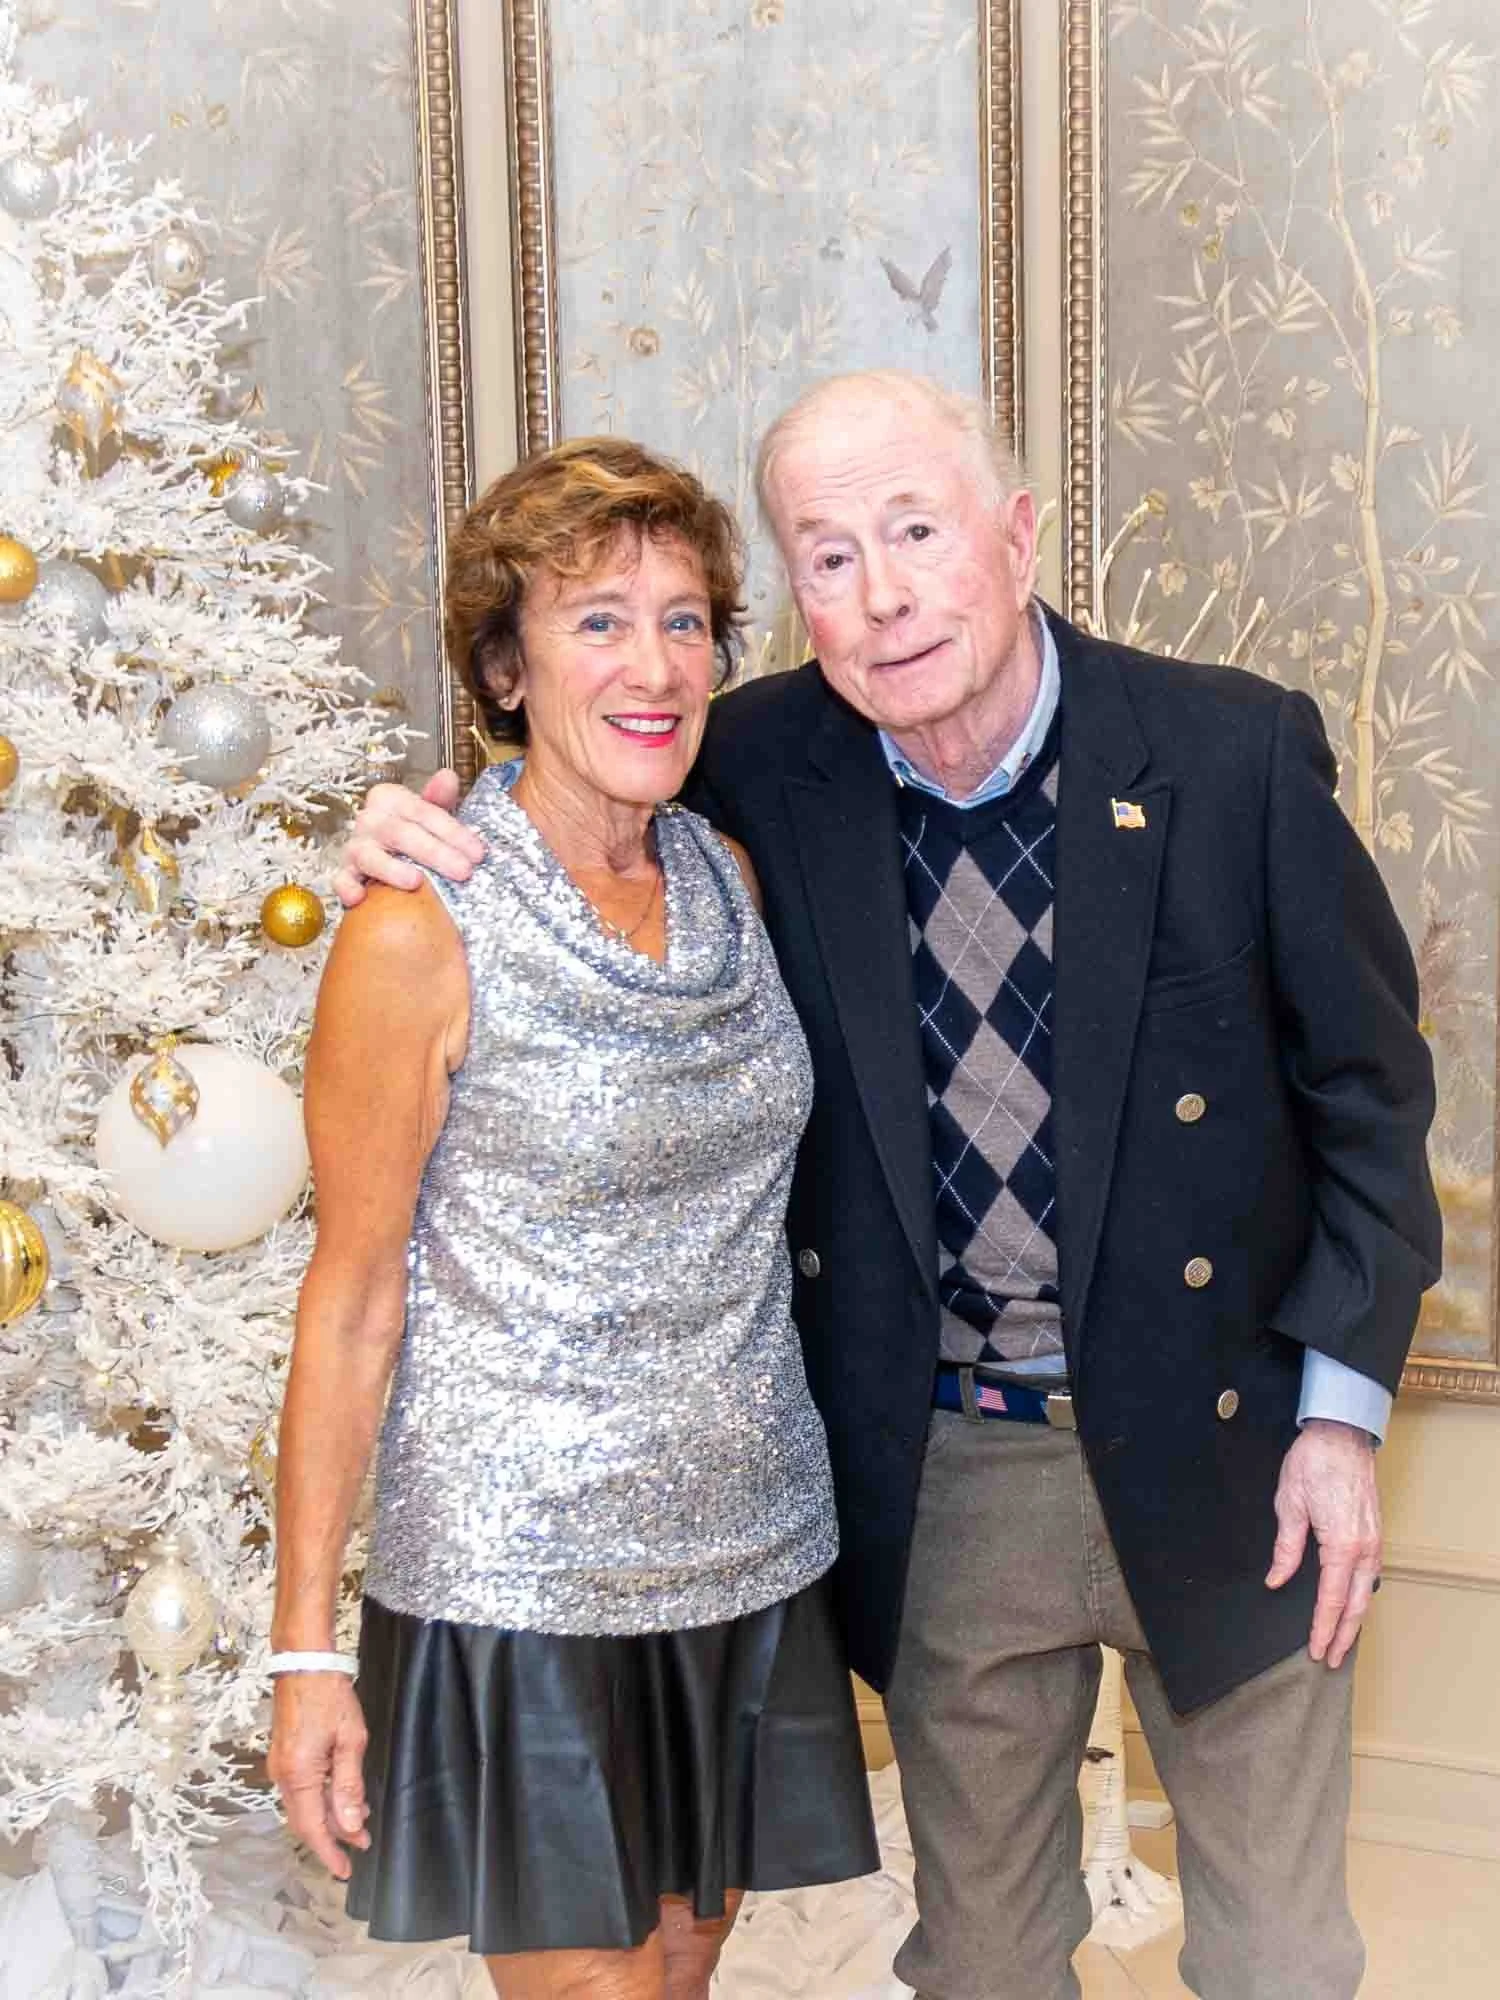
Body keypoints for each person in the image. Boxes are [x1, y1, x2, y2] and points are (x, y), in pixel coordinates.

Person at [338, 373, 1442, 2000]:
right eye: (830, 557)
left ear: (1012, 536)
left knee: (1281, 1953)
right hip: (950, 1465)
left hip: (1241, 1443)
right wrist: (406, 823)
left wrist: (1342, 1421)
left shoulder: (1230, 749)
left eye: (916, 532)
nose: (886, 594)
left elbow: (1369, 1097)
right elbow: (567, 791)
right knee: (985, 1963)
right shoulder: (754, 769)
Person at [268, 435, 877, 2000]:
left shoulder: (730, 868)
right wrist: (304, 1655)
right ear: (506, 665)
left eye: (685, 619)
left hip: (746, 1543)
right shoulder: (421, 925)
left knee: (685, 1965)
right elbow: (349, 1299)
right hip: (520, 1572)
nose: (654, 661)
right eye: (597, 619)